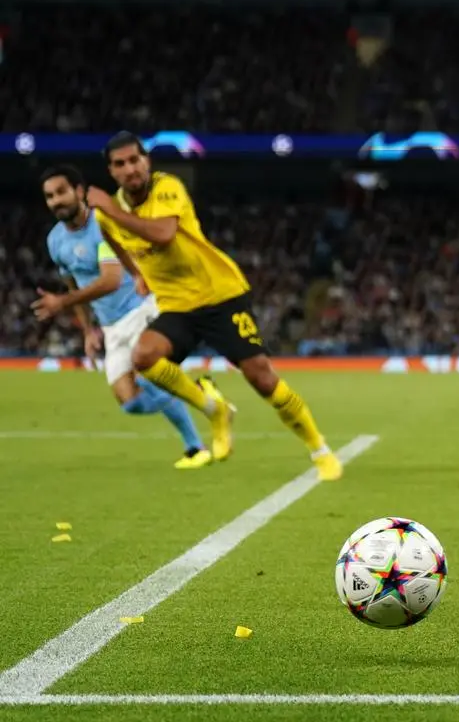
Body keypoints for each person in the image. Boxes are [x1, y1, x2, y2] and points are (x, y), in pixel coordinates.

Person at [90, 132, 343, 482]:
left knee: (262, 377)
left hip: (219, 295)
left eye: (135, 160)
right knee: (144, 356)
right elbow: (114, 239)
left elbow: (163, 234)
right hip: (177, 305)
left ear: (146, 161)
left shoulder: (167, 187)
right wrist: (137, 272)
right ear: (111, 171)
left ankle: (319, 449)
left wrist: (112, 209)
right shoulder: (108, 214)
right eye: (120, 164)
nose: (130, 169)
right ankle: (215, 410)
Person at [35, 164, 209, 469]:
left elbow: (111, 280)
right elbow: (72, 281)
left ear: (79, 191)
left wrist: (61, 303)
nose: (55, 201)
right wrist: (88, 330)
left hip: (142, 309)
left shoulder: (104, 226)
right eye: (49, 196)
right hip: (111, 326)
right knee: (131, 403)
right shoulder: (55, 241)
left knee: (152, 378)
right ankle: (200, 394)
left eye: (61, 192)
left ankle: (195, 447)